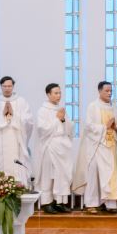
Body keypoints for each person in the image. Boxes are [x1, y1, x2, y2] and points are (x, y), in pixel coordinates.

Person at [73, 81, 117, 213]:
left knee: (110, 174)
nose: (109, 93)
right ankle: (91, 203)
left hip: (111, 146)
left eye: (111, 91)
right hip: (96, 146)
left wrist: (116, 127)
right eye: (107, 91)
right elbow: (88, 126)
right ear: (99, 91)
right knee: (93, 174)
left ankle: (110, 204)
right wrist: (104, 127)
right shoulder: (93, 106)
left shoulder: (115, 108)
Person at [0, 75, 33, 184]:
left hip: (15, 137)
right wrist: (1, 115)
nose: (7, 88)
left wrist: (14, 115)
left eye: (9, 86)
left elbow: (28, 121)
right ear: (1, 86)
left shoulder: (21, 101)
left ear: (13, 86)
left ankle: (18, 184)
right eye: (4, 86)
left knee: (15, 160)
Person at [33, 83, 74, 213]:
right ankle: (47, 202)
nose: (58, 95)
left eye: (59, 93)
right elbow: (42, 129)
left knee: (61, 175)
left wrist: (63, 120)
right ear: (48, 94)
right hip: (50, 145)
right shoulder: (43, 110)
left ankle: (59, 201)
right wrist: (57, 120)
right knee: (48, 175)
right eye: (56, 93)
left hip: (62, 146)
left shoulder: (60, 109)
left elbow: (69, 128)